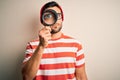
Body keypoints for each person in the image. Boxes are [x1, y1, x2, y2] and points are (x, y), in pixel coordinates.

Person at [22, 1, 88, 80]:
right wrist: (41, 46)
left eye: (58, 15)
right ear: (43, 20)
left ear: (62, 19)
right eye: (49, 15)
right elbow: (26, 77)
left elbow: (81, 77)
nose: (55, 20)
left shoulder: (75, 45)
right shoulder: (32, 45)